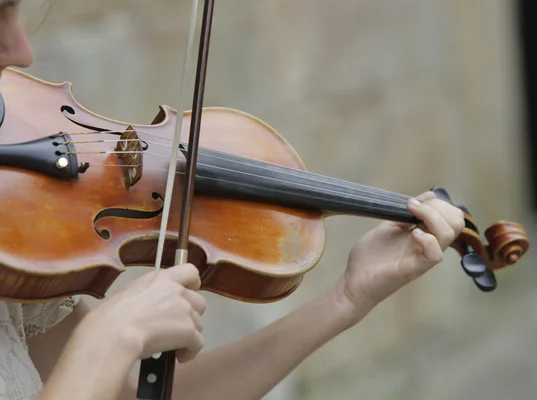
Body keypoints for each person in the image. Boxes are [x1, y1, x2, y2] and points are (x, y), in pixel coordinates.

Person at [0, 1, 465, 399]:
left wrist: (348, 298)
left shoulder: (15, 244)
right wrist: (108, 337)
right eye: (0, 12)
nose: (23, 50)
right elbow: (97, 361)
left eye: (18, 9)